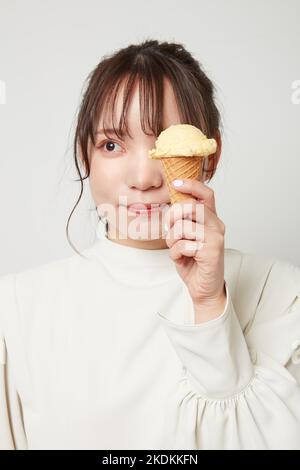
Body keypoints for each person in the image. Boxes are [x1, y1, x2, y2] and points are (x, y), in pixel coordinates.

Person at [1, 39, 300, 451]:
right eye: (111, 145)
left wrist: (210, 305)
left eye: (165, 145)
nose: (143, 178)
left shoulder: (282, 294)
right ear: (84, 155)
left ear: (208, 156)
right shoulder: (16, 310)